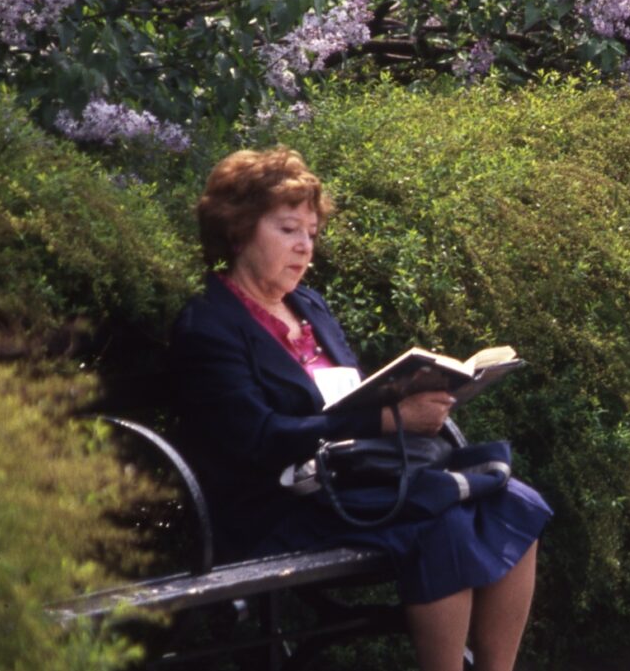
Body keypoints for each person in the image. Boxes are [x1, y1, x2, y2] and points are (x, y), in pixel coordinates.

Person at [170, 147, 549, 671]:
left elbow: (346, 395)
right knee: (440, 522)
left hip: (355, 480)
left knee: (516, 501)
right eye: (287, 230)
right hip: (277, 503)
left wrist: (415, 391)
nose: (304, 246)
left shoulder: (310, 306)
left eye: (311, 233)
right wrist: (388, 420)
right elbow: (258, 439)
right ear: (238, 231)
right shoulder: (210, 324)